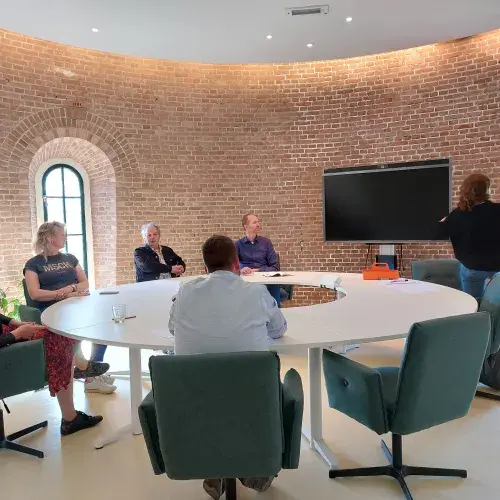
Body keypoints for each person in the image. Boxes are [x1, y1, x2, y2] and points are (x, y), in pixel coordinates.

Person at [169, 235, 287, 499]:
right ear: (236, 263)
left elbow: (172, 328)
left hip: (193, 399)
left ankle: (217, 466)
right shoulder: (257, 293)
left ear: (205, 268)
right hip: (251, 401)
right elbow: (279, 329)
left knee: (213, 396)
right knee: (260, 388)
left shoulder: (185, 292)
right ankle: (253, 468)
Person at [23, 221, 116, 394]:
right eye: (62, 234)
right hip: (51, 310)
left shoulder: (70, 258)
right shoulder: (33, 264)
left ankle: (90, 370)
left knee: (103, 325)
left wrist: (71, 289)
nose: (65, 237)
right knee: (71, 325)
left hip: (76, 304)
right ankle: (89, 375)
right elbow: (34, 293)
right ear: (51, 238)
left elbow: (84, 283)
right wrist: (63, 294)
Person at [1, 312, 103, 436]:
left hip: (5, 335)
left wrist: (14, 323)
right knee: (59, 341)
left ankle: (83, 367)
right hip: (5, 345)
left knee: (62, 334)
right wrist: (16, 334)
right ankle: (70, 418)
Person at [438, 173, 500, 301]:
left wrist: (442, 223)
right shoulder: (497, 210)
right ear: (486, 190)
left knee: (473, 301)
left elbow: (439, 234)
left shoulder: (456, 215)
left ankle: (477, 312)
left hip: (472, 266)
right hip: (497, 265)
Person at [235, 213, 281, 307]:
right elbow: (234, 267)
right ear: (246, 226)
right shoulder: (238, 245)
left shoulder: (266, 242)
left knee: (273, 285)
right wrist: (242, 269)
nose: (258, 224)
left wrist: (257, 270)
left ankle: (276, 311)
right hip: (247, 281)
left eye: (258, 222)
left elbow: (274, 267)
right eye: (254, 222)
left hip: (265, 280)